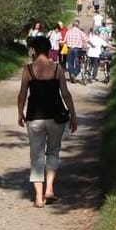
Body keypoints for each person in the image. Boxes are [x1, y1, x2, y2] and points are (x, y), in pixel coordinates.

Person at [17, 34, 77, 207]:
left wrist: (20, 113)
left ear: (34, 50)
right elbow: (65, 94)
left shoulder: (28, 70)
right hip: (56, 116)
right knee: (53, 151)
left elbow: (22, 94)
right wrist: (73, 114)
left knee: (36, 156)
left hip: (34, 117)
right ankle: (49, 189)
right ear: (50, 50)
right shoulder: (57, 68)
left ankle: (38, 197)